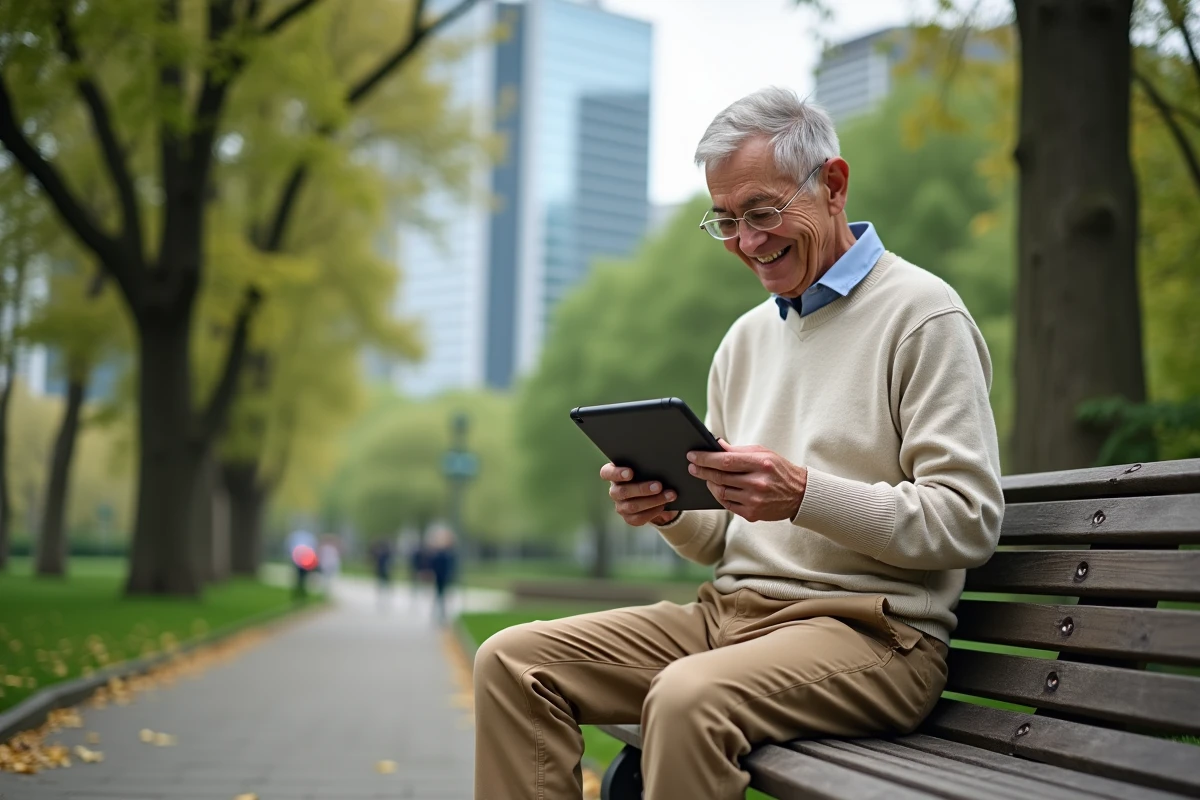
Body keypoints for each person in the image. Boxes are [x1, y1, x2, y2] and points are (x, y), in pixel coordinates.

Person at [473, 87, 1004, 800]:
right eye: (725, 222)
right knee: (510, 662)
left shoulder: (923, 315)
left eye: (762, 212)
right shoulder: (746, 339)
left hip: (874, 636)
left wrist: (803, 495)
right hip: (730, 618)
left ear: (834, 185)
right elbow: (719, 538)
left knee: (688, 698)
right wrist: (668, 509)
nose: (748, 243)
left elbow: (966, 521)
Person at [425, 526, 458, 624]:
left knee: (442, 596)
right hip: (438, 577)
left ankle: (442, 614)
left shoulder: (448, 553)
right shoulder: (437, 553)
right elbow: (432, 565)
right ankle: (438, 614)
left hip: (445, 577)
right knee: (438, 596)